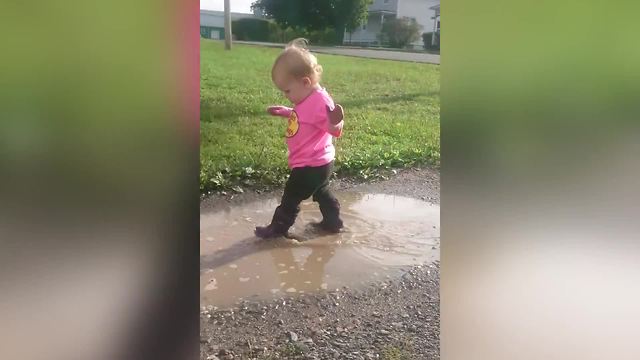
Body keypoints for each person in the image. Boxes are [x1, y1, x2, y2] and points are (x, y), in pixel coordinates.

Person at [255, 38, 345, 239]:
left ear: (305, 82)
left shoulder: (320, 102)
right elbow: (304, 117)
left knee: (291, 196)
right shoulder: (306, 97)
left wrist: (336, 121)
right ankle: (333, 222)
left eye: (287, 91)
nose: (286, 95)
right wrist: (287, 111)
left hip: (311, 165)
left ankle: (278, 228)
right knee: (322, 192)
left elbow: (334, 130)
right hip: (318, 163)